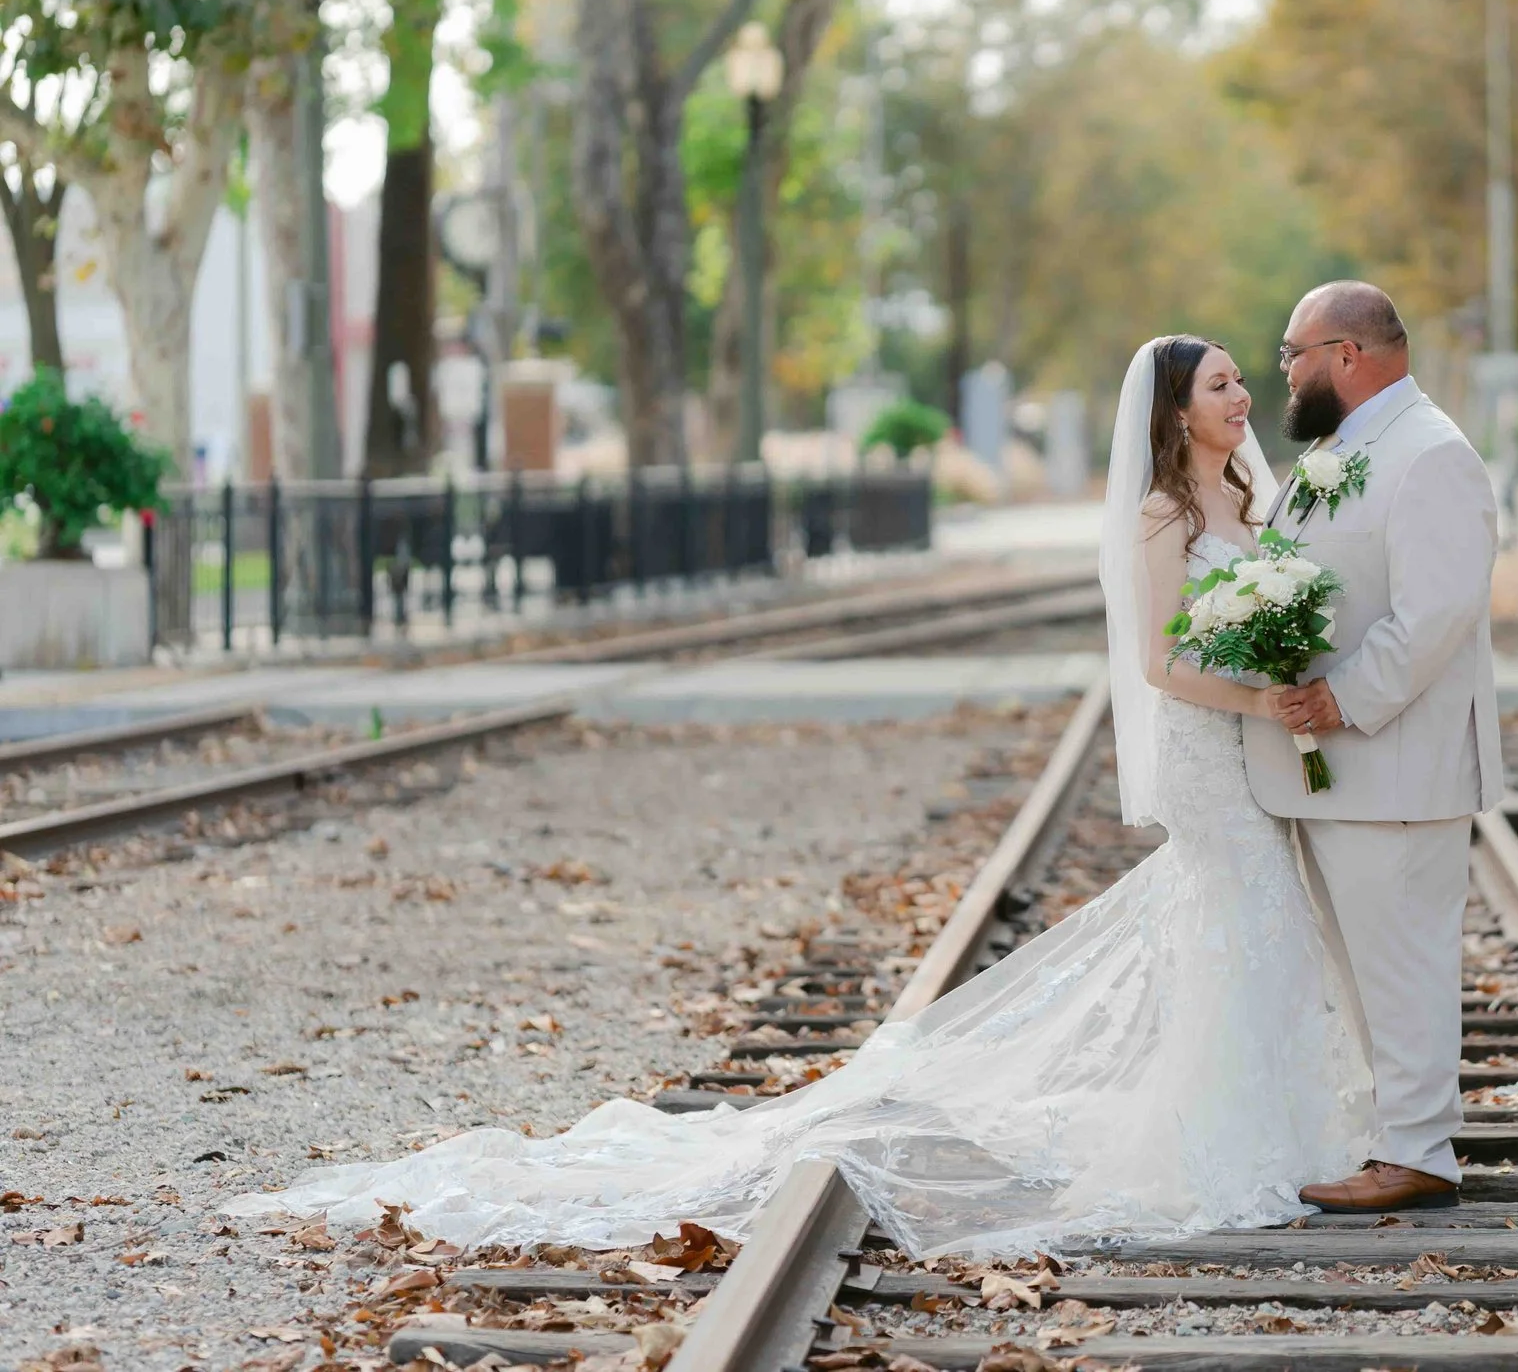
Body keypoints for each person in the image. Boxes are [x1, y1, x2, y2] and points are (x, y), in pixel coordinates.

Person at [224, 334, 1372, 1260]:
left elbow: (1268, 609)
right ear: (1174, 410)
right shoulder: (1163, 518)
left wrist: (1285, 666)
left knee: (1254, 928)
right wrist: (1262, 700)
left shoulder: (1244, 493)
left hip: (1251, 749)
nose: (1240, 395)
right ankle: (1228, 1148)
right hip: (1209, 747)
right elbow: (1163, 666)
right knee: (1244, 918)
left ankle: (1267, 1132)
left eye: (1239, 380)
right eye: (1221, 382)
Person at [1256, 281, 1504, 1213]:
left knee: (1403, 963)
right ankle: (1392, 1138)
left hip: (1397, 762)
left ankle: (1421, 1151)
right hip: (1347, 770)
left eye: (1294, 353)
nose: (1284, 371)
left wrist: (1340, 698)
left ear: (1346, 354)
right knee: (1366, 968)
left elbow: (1436, 611)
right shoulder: (1346, 448)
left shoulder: (1431, 454)